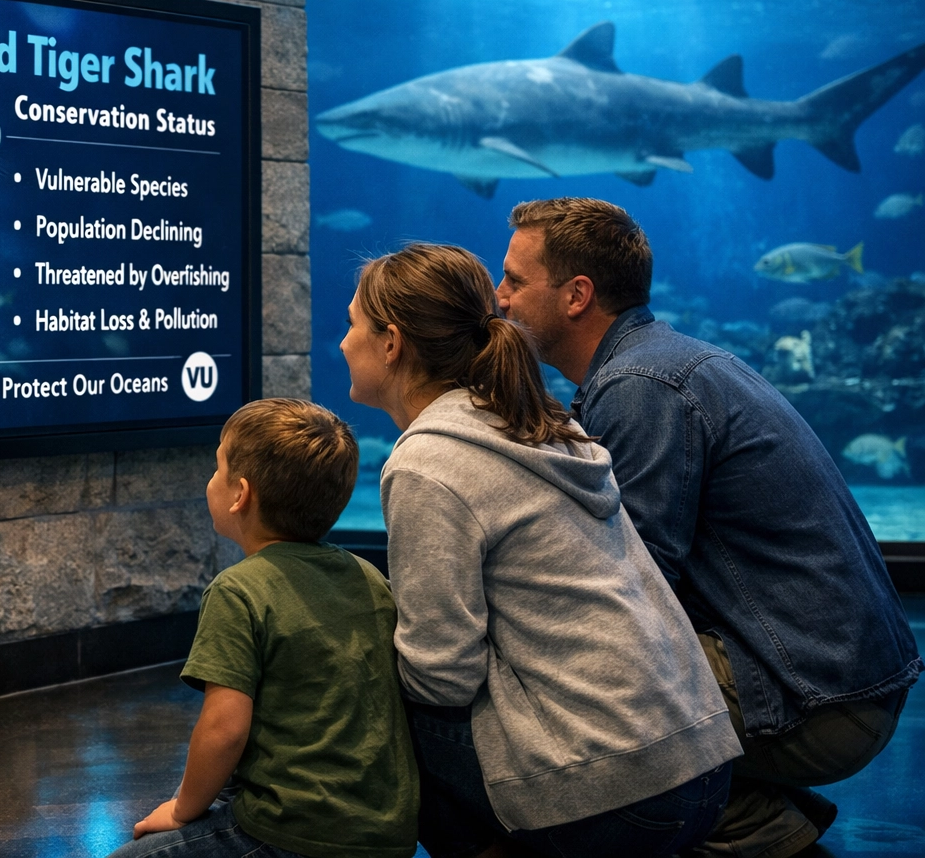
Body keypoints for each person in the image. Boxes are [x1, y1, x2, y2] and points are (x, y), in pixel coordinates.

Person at [496, 197, 921, 858]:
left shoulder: (640, 385)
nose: (500, 298)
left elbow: (625, 594)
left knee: (548, 691)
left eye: (515, 281)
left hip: (819, 700)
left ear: (576, 294)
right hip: (842, 682)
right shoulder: (656, 363)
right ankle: (746, 814)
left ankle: (735, 824)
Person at [342, 242, 741, 858]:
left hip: (619, 798)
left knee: (375, 691)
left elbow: (442, 676)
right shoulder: (541, 422)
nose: (343, 344)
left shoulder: (428, 462)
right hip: (704, 769)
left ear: (391, 343)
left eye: (351, 326)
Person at [105, 398, 420, 858]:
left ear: (240, 495)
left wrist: (181, 811)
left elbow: (224, 730)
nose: (210, 480)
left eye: (218, 467)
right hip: (384, 833)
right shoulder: (367, 576)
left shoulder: (238, 591)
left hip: (291, 830)